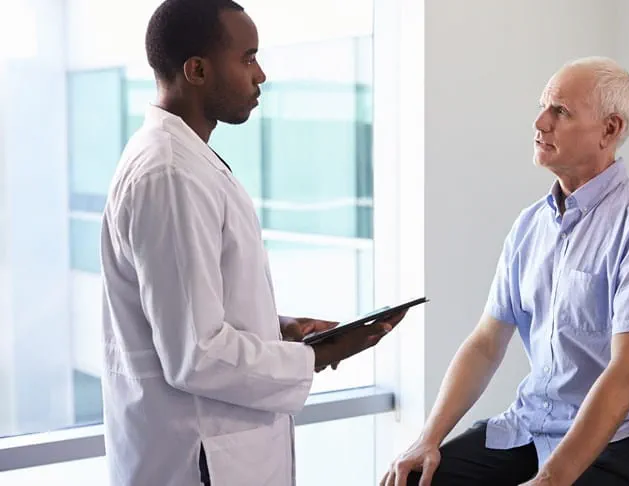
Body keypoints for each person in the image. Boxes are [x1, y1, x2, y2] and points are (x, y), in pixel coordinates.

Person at [98, 1, 405, 485]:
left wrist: (276, 327)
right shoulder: (172, 174)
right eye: (247, 58)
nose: (260, 74)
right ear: (196, 70)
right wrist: (321, 354)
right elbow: (196, 355)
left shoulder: (185, 160)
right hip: (199, 459)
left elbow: (186, 312)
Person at [382, 57, 629, 486]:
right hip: (535, 425)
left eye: (561, 112)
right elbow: (485, 344)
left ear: (610, 129)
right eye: (543, 106)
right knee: (414, 478)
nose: (539, 122)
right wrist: (428, 438)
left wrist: (552, 478)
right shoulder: (530, 225)